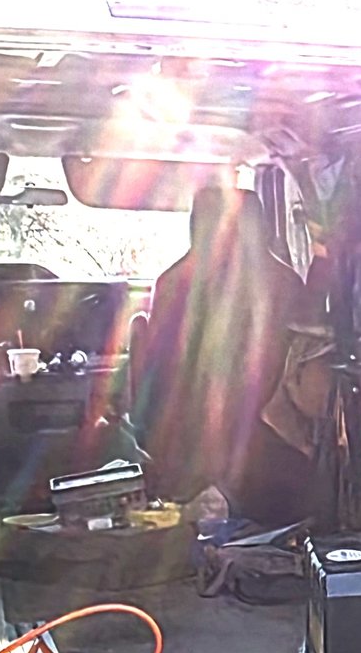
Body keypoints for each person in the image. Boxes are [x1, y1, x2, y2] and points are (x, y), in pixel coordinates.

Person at [131, 184, 314, 521]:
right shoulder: (286, 282)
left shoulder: (172, 283)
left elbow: (159, 377)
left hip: (190, 444)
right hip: (271, 441)